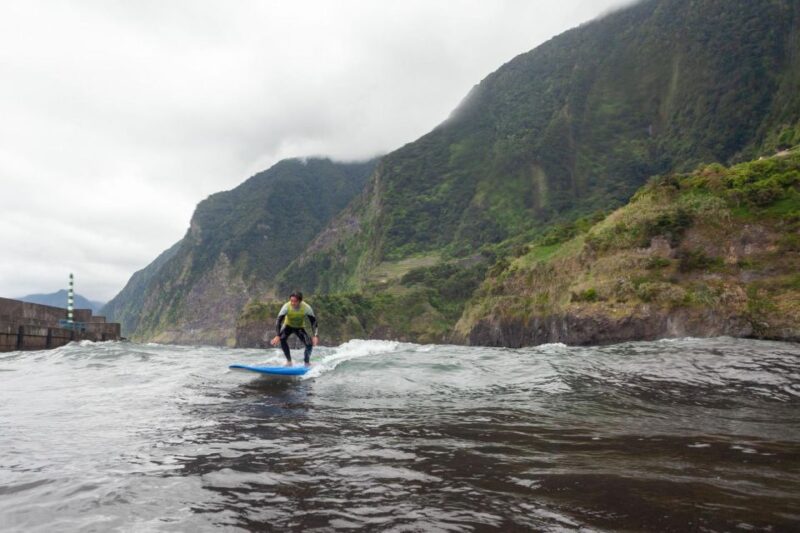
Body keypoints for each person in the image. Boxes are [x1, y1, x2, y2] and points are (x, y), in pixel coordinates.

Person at [270, 291, 319, 366]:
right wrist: (277, 335)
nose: (292, 303)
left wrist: (315, 335)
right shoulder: (286, 306)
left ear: (300, 301)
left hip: (299, 327)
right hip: (288, 326)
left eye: (295, 301)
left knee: (309, 344)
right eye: (291, 301)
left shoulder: (306, 308)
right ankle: (289, 361)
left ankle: (306, 363)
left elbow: (313, 322)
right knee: (282, 339)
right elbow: (279, 320)